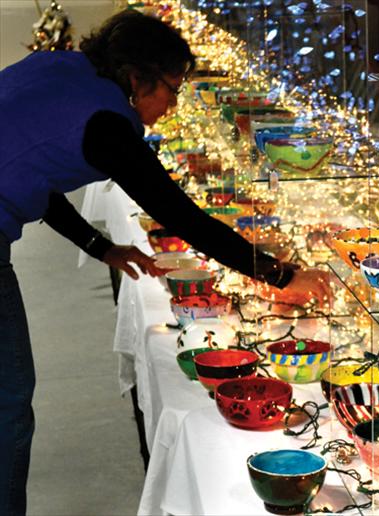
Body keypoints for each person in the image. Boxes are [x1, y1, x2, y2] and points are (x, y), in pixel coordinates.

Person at [0, 10, 331, 513]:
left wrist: (99, 246)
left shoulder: (59, 70)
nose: (172, 106)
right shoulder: (107, 122)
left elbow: (29, 168)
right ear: (137, 78)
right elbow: (183, 217)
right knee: (8, 407)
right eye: (171, 89)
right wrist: (282, 275)